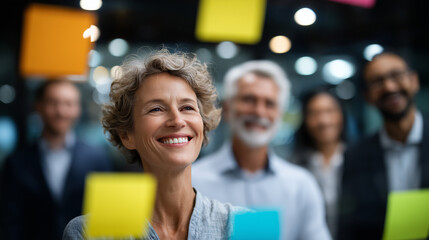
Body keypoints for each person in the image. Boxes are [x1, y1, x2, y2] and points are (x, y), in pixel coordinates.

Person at [63, 49, 247, 240]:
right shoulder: (88, 233)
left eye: (187, 107)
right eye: (156, 109)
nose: (177, 120)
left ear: (203, 125)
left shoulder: (248, 226)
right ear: (127, 135)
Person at [192, 60, 332, 240]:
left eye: (270, 103)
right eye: (249, 100)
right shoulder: (193, 182)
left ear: (280, 114)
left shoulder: (301, 186)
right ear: (227, 108)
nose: (259, 112)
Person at [0, 80, 112, 240]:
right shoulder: (16, 162)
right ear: (38, 106)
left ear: (78, 109)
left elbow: (105, 214)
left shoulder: (97, 158)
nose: (61, 111)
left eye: (68, 103)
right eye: (53, 103)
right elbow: (10, 220)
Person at [338, 52, 429, 239]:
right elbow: (349, 224)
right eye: (377, 82)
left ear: (414, 81)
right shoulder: (356, 156)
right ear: (367, 96)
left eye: (396, 75)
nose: (389, 86)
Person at [290, 88, 346, 238]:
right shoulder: (294, 167)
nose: (324, 121)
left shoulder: (358, 159)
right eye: (314, 113)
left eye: (330, 111)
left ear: (341, 115)